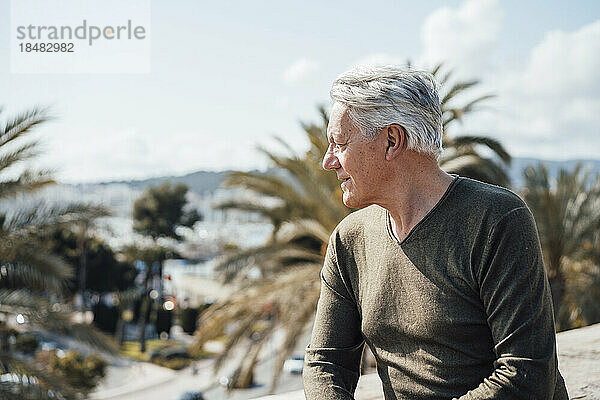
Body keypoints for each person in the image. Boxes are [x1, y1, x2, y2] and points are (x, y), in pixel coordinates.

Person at [302, 65, 568, 400]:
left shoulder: (497, 219)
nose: (329, 161)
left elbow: (526, 376)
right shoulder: (350, 239)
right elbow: (325, 362)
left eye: (339, 143)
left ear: (392, 140)